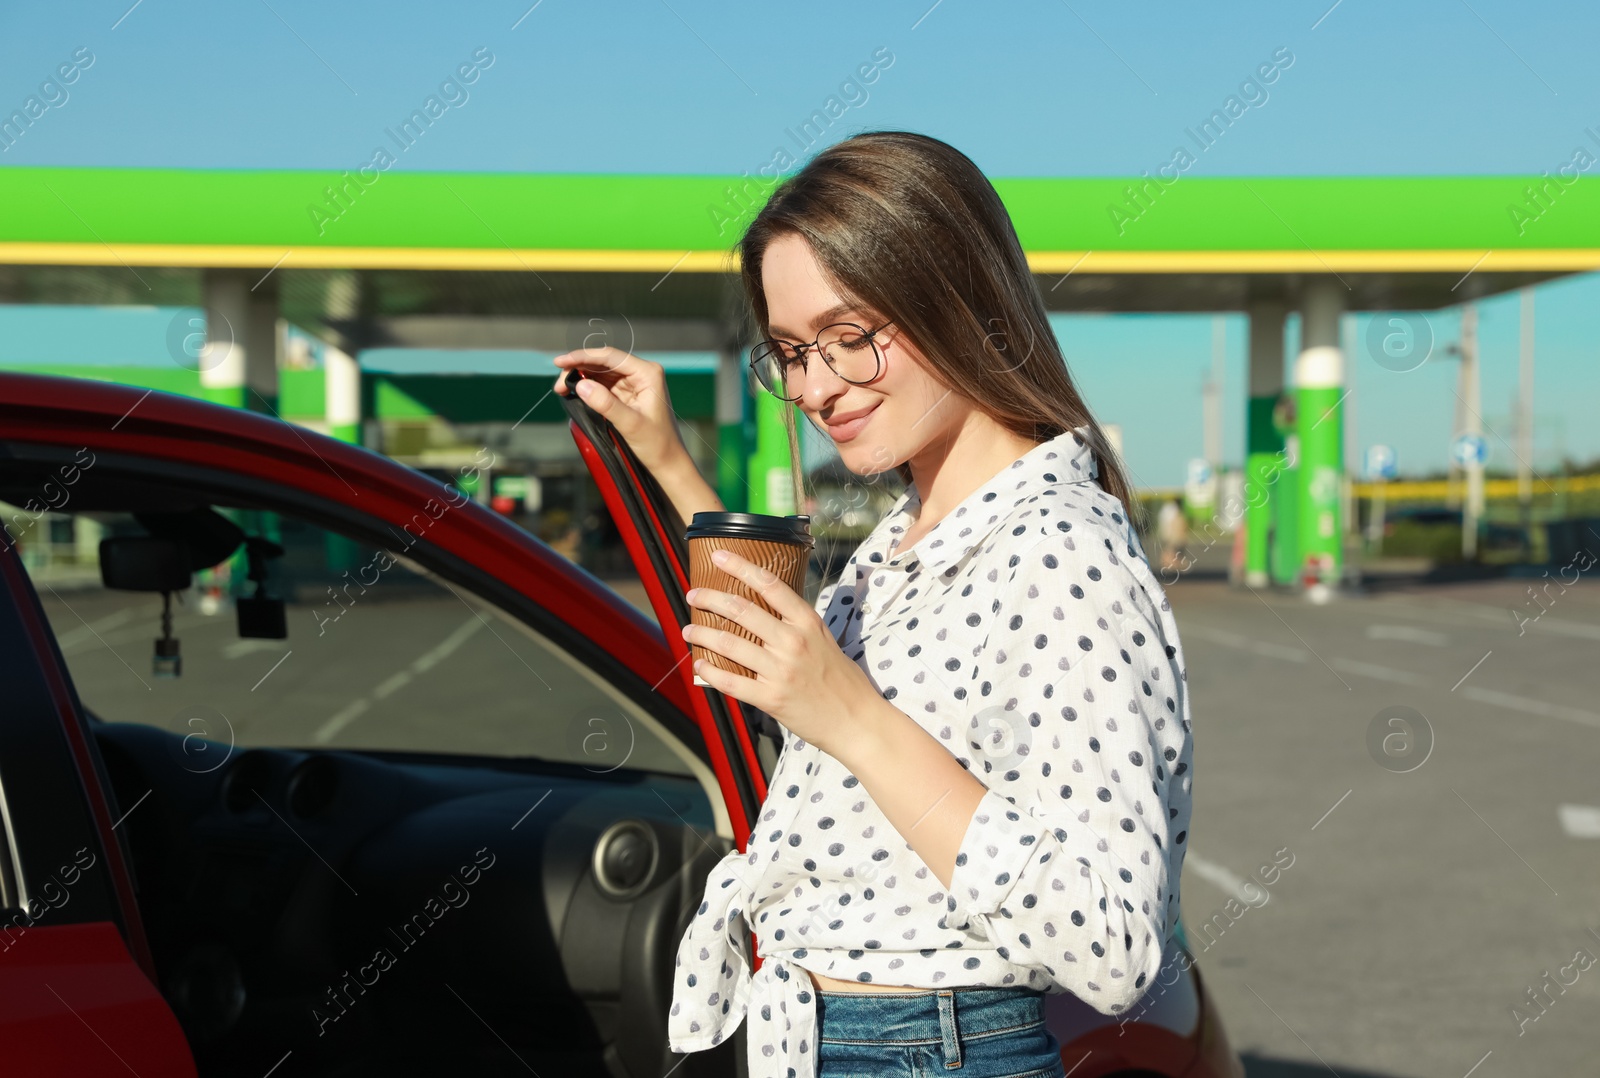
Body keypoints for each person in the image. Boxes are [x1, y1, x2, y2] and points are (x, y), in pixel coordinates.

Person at [553, 131, 1194, 1078]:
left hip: (929, 1050)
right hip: (827, 1039)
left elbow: (1115, 945)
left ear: (959, 298)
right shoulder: (910, 534)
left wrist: (849, 715)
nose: (814, 387)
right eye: (791, 352)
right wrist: (668, 460)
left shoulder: (1060, 550)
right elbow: (776, 655)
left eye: (848, 338)